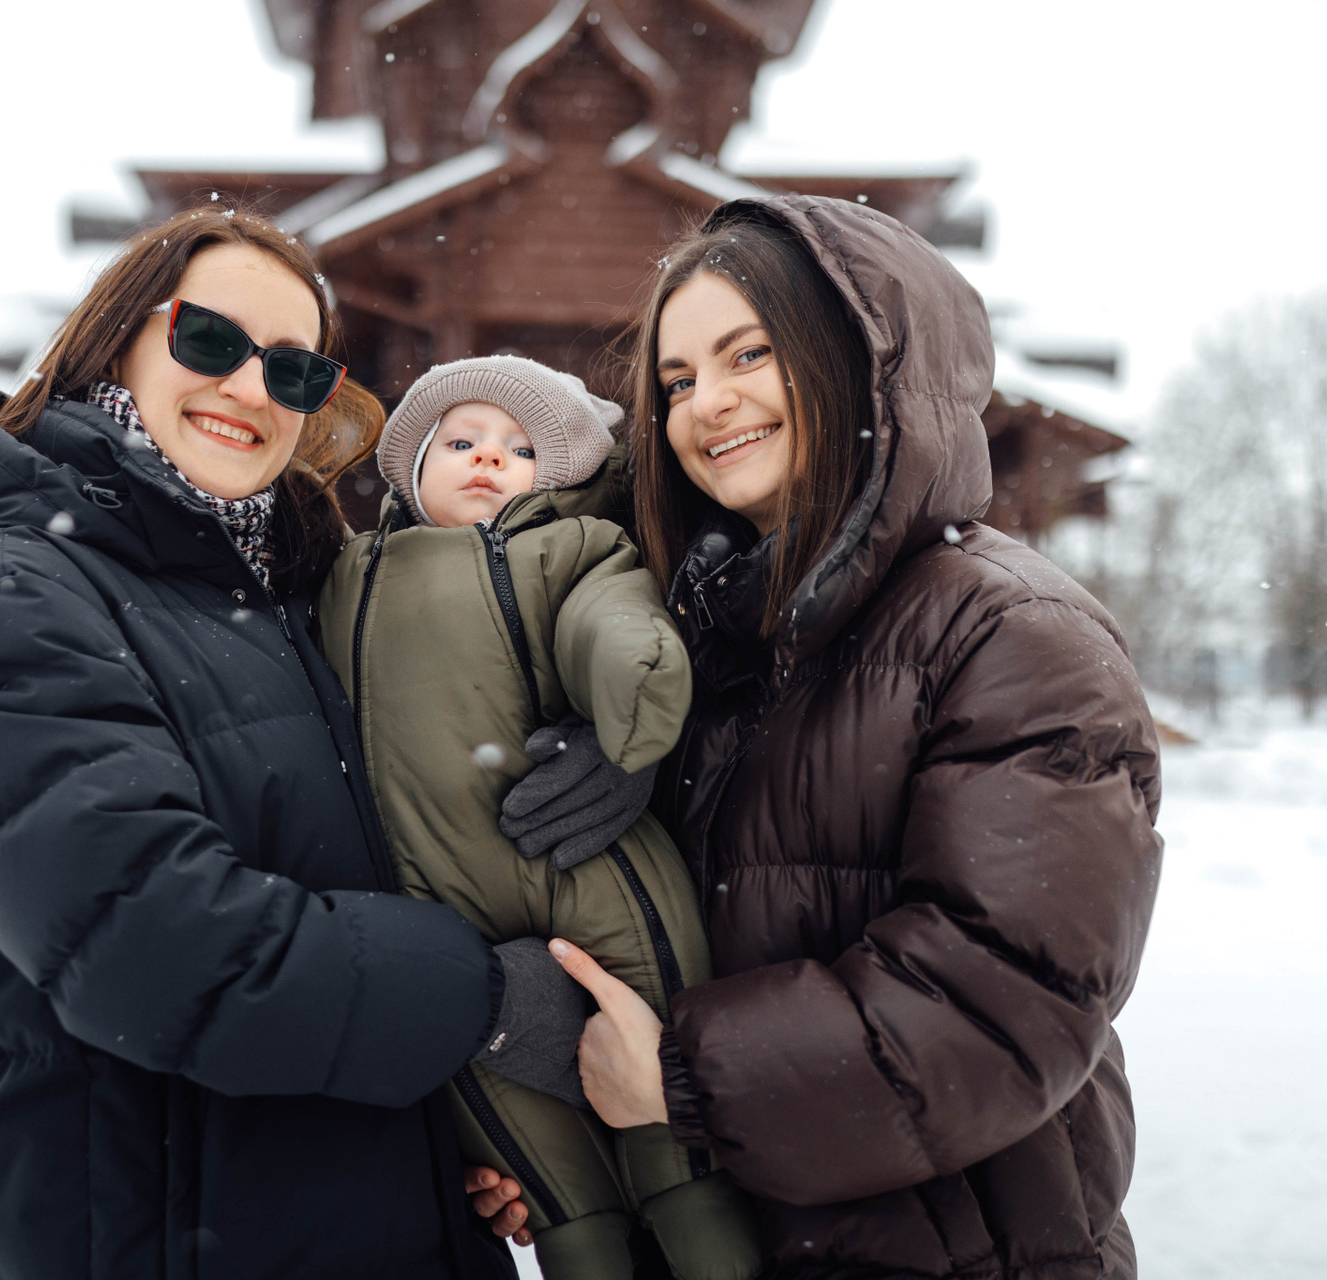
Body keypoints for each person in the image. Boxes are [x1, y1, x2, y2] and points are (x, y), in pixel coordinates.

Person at [0, 207, 556, 1279]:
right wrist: (487, 1001)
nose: (250, 388)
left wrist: (466, 1127)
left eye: (295, 369)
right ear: (116, 340)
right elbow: (154, 949)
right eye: (211, 339)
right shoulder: (17, 591)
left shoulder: (295, 592)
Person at [475, 196, 1162, 1278]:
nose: (708, 404)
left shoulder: (1013, 632)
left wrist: (680, 1081)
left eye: (749, 353)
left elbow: (1001, 1002)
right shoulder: (696, 630)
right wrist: (559, 1128)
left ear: (860, 363)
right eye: (677, 381)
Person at [317, 358, 760, 1280]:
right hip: (443, 905)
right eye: (461, 441)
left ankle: (708, 1239)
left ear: (556, 475)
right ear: (412, 464)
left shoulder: (568, 548)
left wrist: (631, 673)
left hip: (582, 861)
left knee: (669, 1119)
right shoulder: (348, 573)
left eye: (520, 450)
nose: (489, 459)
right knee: (537, 1157)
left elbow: (610, 616)